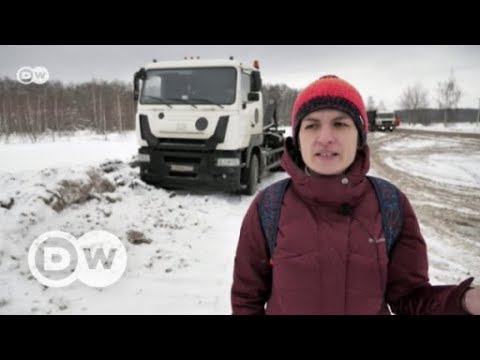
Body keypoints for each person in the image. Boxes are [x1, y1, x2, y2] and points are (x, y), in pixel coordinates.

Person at [231, 75, 480, 315]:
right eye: (311, 125)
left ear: (360, 136)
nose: (325, 138)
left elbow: (410, 298)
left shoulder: (390, 204)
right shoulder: (268, 206)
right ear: (297, 138)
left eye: (340, 124)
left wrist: (464, 301)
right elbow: (246, 300)